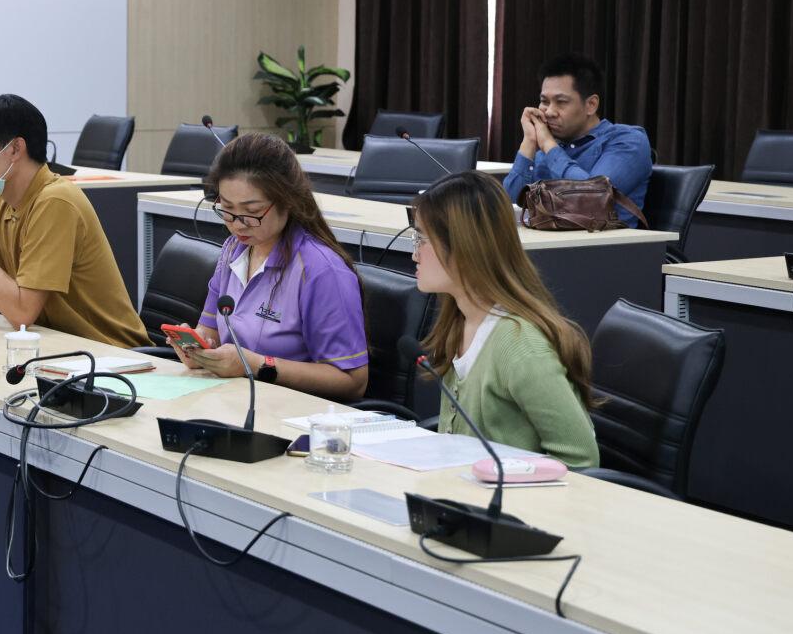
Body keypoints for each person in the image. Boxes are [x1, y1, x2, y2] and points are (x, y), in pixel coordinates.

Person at [0, 94, 149, 348]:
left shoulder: (55, 201)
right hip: (59, 346)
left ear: (15, 149)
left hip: (110, 352)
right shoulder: (2, 202)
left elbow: (22, 314)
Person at [411, 171, 599, 468]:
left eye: (422, 239)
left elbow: (581, 458)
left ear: (463, 246)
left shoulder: (520, 345)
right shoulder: (460, 322)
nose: (414, 254)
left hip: (510, 496)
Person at [165, 134, 368, 401]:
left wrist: (256, 365)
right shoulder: (232, 250)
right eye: (227, 209)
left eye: (252, 211)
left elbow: (352, 381)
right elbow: (210, 331)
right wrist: (199, 349)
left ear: (288, 200)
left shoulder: (321, 270)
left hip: (291, 411)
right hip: (233, 401)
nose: (237, 224)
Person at [502, 53, 652, 228]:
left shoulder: (628, 141)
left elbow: (592, 200)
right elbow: (509, 207)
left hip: (603, 242)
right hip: (547, 240)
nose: (549, 112)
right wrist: (528, 142)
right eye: (544, 101)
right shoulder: (548, 144)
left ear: (591, 105)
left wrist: (549, 146)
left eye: (561, 102)